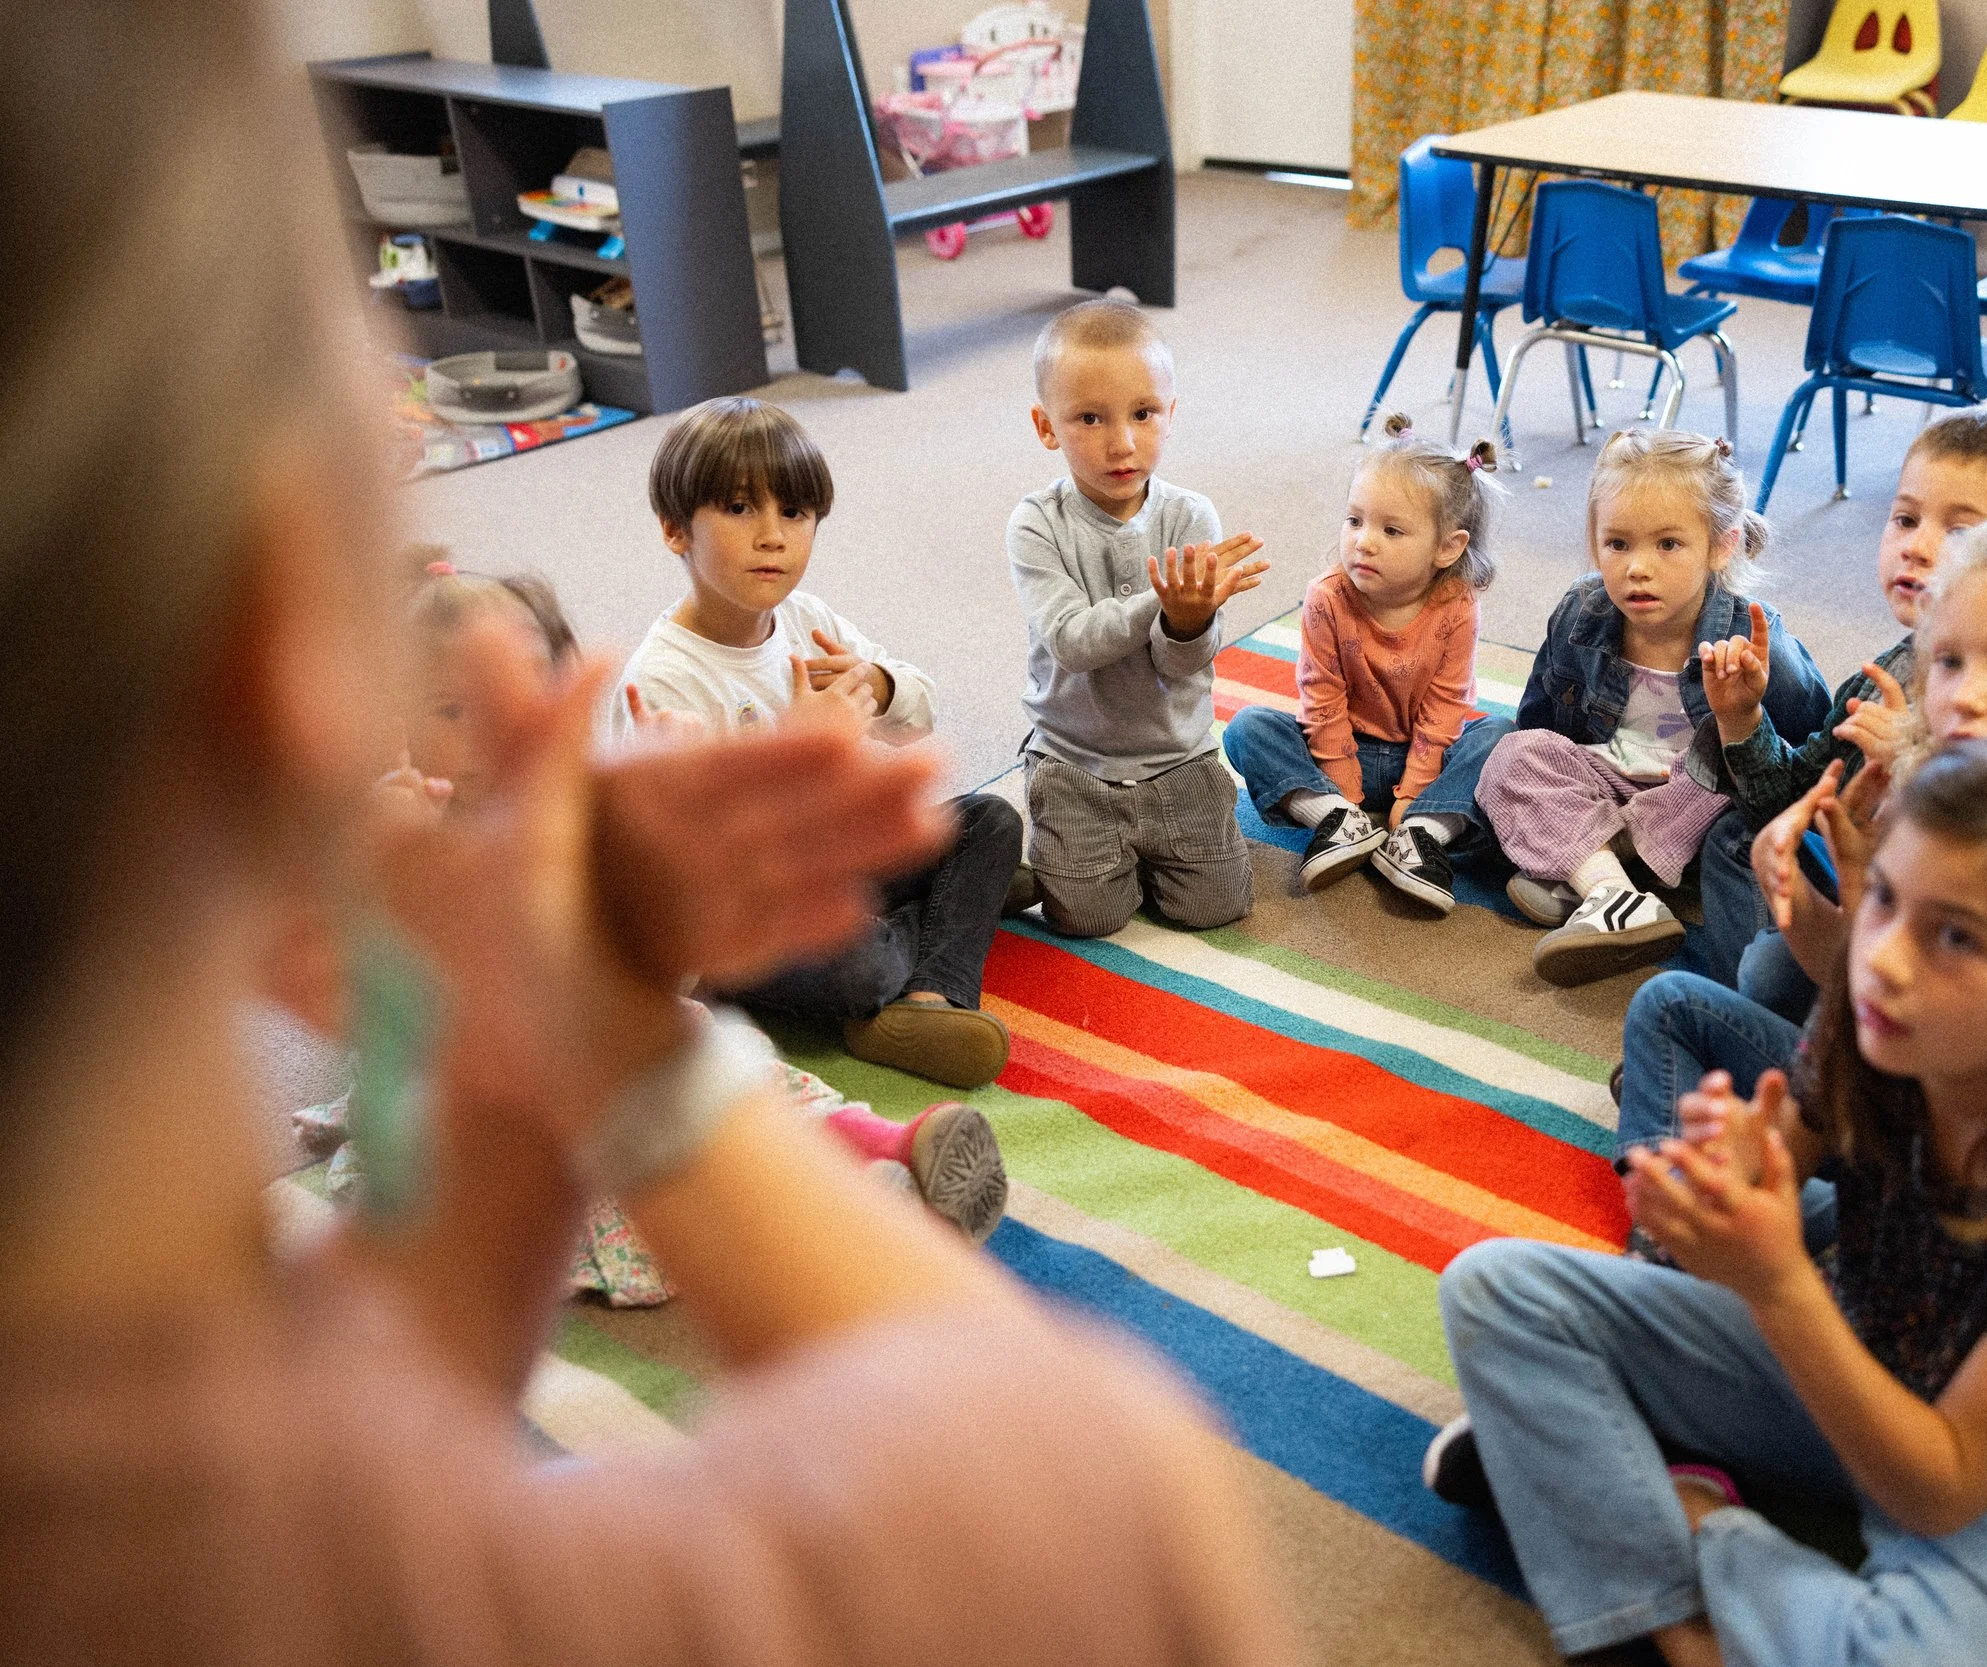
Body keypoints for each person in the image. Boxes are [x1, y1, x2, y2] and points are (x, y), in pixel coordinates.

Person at [0, 8, 1296, 1665]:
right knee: (807, 977)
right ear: (290, 659)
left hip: (791, 899)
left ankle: (908, 988)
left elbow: (384, 1405)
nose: (773, 540)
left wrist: (874, 695)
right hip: (752, 951)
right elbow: (1112, 1494)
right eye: (384, 444)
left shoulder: (242, 1485)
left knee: (963, 828)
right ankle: (887, 1032)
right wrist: (624, 1028)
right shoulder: (502, 1591)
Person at [1433, 730, 1987, 1667]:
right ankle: (1676, 1615)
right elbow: (1774, 1164)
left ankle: (1680, 1521)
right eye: (1887, 899)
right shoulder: (1879, 1018)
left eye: (1957, 936)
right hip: (1846, 1344)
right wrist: (1726, 1186)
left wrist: (1776, 1283)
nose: (1885, 959)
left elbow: (1945, 1487)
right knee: (1493, 1289)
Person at [290, 564, 1010, 1261]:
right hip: (478, 1080)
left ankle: (893, 1142)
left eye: (520, 705)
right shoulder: (405, 826)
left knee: (737, 1088)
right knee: (630, 1169)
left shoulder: (577, 811)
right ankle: (832, 1205)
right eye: (451, 710)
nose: (488, 734)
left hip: (611, 1035)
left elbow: (664, 960)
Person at [1615, 515, 1987, 1234]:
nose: (1964, 695)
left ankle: (1690, 1243)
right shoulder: (1935, 797)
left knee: (1768, 992)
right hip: (1875, 1117)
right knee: (1676, 997)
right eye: (1948, 662)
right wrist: (1814, 886)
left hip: (1968, 1202)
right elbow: (1861, 989)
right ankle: (1676, 1233)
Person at [609, 396, 1024, 1096]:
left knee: (992, 821)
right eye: (740, 510)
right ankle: (925, 949)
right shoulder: (662, 681)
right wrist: (799, 751)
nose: (773, 536)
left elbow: (917, 720)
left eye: (794, 514)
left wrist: (882, 684)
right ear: (675, 530)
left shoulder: (803, 619)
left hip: (834, 871)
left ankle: (925, 1001)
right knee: (860, 959)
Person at [1699, 405, 1987, 1025]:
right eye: (1905, 518)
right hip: (1862, 891)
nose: (1917, 546)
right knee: (1732, 839)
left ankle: (1763, 1027)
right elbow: (1790, 802)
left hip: (1964, 939)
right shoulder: (1885, 676)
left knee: (1768, 971)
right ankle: (1740, 1014)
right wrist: (1741, 719)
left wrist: (1917, 768)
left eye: (1962, 532)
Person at [1476, 430, 1827, 986]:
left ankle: (1587, 867)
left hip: (1694, 798)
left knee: (1723, 772)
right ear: (1595, 544)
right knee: (1509, 754)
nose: (1638, 567)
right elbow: (1540, 722)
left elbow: (1806, 755)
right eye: (1618, 544)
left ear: (1721, 545)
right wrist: (1539, 780)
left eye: (1667, 545)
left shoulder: (1756, 639)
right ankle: (1620, 895)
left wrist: (1744, 716)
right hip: (1606, 780)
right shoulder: (1580, 611)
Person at [1011, 299, 1269, 938]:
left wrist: (1188, 623)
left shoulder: (1190, 518)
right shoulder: (1036, 523)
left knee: (1215, 909)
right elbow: (1072, 641)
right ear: (1047, 427)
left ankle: (1094, 860)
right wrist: (1165, 601)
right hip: (1076, 761)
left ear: (1171, 415)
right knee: (1088, 920)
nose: (1122, 442)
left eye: (1143, 413)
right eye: (1090, 418)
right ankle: (1058, 859)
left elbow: (1182, 665)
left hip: (1178, 756)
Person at [1221, 414, 1510, 915]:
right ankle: (1335, 821)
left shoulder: (1456, 604)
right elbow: (1321, 696)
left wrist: (1415, 793)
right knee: (1246, 728)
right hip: (1336, 753)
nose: (1364, 541)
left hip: (1428, 759)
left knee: (1504, 736)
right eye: (1355, 521)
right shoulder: (1327, 597)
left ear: (1448, 548)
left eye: (1391, 530)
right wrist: (1344, 793)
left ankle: (1422, 835)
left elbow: (1447, 706)